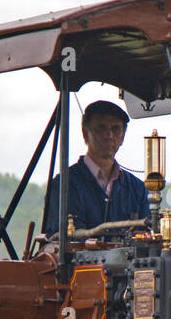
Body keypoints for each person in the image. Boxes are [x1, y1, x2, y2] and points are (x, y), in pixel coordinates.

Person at [44, 100, 151, 236]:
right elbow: (68, 242)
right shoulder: (64, 185)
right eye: (101, 128)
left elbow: (148, 241)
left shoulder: (138, 190)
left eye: (116, 129)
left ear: (123, 136)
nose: (109, 135)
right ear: (85, 133)